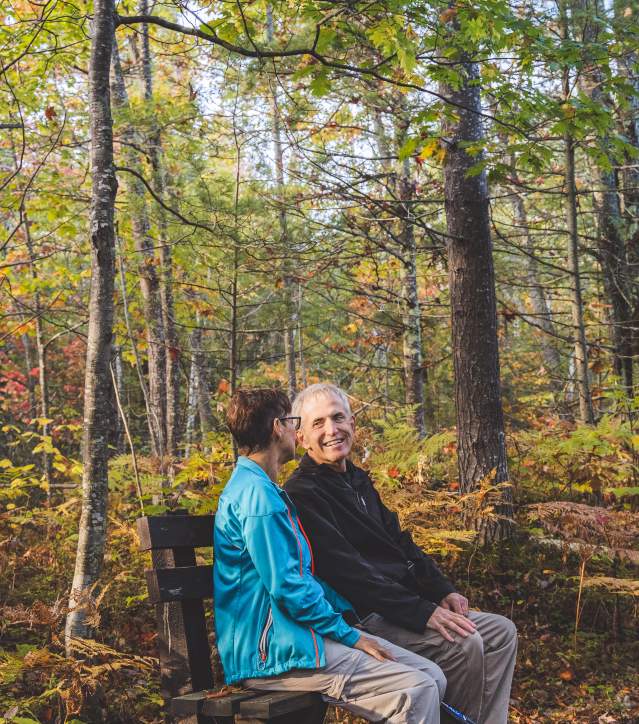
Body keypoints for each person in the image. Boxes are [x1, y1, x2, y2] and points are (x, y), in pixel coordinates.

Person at [285, 383, 518, 724]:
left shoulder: (357, 480)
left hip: (399, 607)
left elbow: (401, 543)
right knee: (463, 645)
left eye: (338, 418)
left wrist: (442, 590)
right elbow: (352, 577)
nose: (332, 430)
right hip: (366, 618)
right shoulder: (304, 493)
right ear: (302, 437)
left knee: (500, 633)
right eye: (318, 423)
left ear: (353, 424)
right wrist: (423, 612)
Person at [214, 387, 449, 723]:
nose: (296, 432)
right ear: (278, 427)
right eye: (293, 422)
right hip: (270, 655)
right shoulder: (258, 501)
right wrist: (350, 635)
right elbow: (287, 587)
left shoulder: (265, 490)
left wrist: (346, 625)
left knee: (433, 676)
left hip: (297, 637)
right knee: (417, 689)